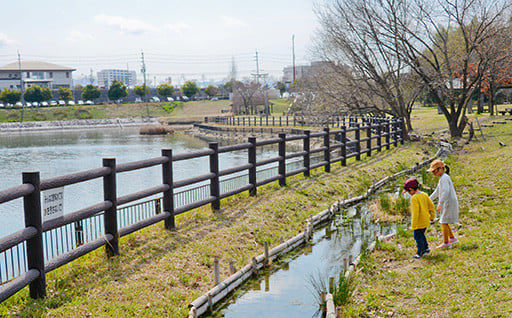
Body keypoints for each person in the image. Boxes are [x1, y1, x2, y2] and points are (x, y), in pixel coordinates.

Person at [427, 159, 459, 249]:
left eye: (434, 171)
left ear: (441, 169)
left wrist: (440, 203)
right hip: (446, 201)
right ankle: (452, 238)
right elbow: (437, 191)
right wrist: (428, 200)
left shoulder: (444, 178)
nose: (433, 173)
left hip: (448, 202)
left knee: (443, 222)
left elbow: (445, 191)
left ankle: (446, 242)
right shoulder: (442, 178)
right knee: (444, 220)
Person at [403, 178, 435, 258]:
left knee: (418, 237)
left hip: (418, 223)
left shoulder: (414, 198)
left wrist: (413, 225)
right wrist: (432, 216)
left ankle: (420, 252)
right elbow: (431, 206)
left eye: (408, 192)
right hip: (425, 221)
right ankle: (426, 248)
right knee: (422, 234)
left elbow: (415, 213)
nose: (409, 194)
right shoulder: (424, 194)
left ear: (411, 189)